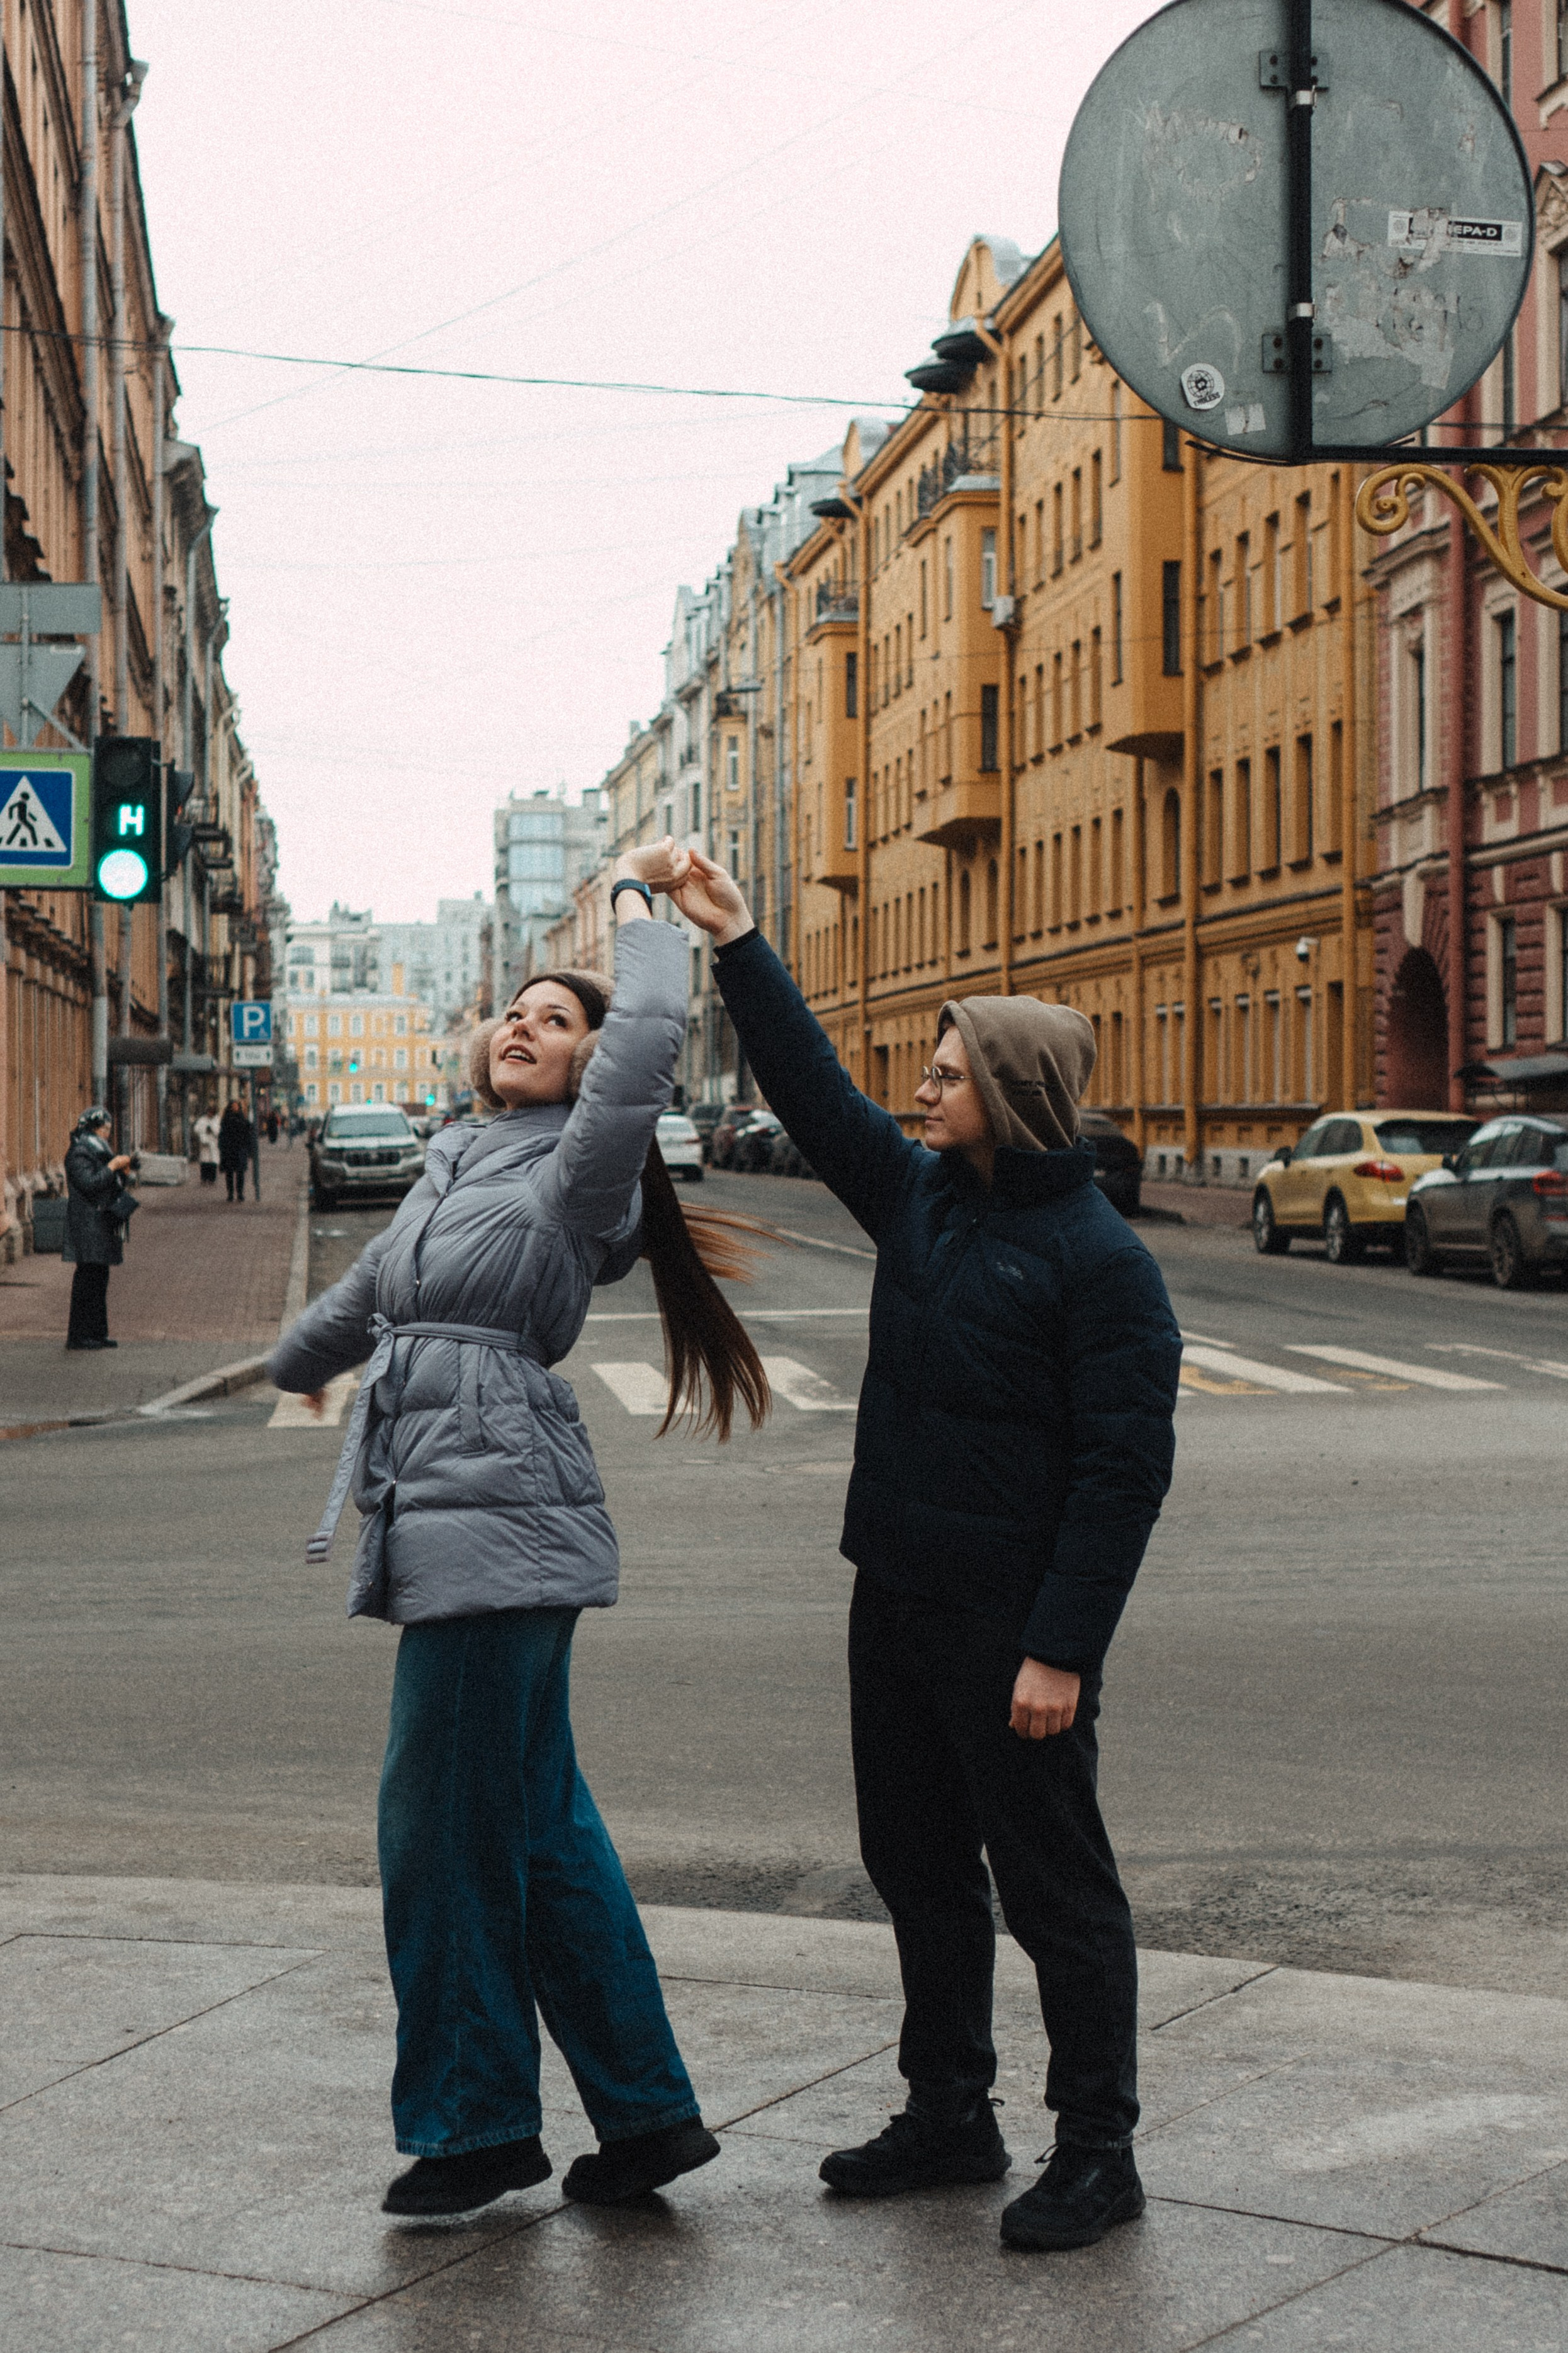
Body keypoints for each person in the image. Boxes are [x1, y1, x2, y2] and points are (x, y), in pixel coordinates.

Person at [664, 845, 1181, 2257]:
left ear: (1008, 1093)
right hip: (893, 1594)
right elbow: (815, 1093)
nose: (922, 1090)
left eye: (947, 1074)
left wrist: (1060, 1649)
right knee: (916, 1864)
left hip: (1013, 1627)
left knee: (1057, 1892)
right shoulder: (921, 1199)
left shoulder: (1102, 1263)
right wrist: (739, 941)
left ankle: (1099, 2149)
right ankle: (950, 2110)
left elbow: (1124, 1476)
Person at [269, 842, 770, 2222]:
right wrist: (292, 1358)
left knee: (438, 1827)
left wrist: (634, 905)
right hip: (457, 1500)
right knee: (538, 1828)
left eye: (556, 1018)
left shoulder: (577, 1171)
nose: (522, 1023)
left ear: (589, 1065)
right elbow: (371, 1295)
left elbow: (650, 1031)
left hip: (492, 1506)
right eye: (515, 1010)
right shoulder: (457, 1159)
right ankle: (647, 2114)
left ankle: (478, 2124)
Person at [62, 1108, 136, 1351]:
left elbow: (111, 1184)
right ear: (93, 1129)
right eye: (105, 1129)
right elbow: (90, 1184)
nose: (107, 1134)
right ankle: (79, 1336)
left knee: (100, 1278)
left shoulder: (99, 1150)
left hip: (101, 1221)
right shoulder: (79, 1153)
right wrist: (113, 1166)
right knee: (87, 1280)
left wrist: (123, 1173)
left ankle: (97, 1333)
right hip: (87, 1224)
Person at [218, 1098, 254, 1201]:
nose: (235, 1108)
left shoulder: (243, 1119)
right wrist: (222, 1147)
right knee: (229, 1173)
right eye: (233, 1106)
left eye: (236, 1106)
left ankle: (240, 1193)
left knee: (240, 1172)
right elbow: (222, 1135)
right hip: (229, 1150)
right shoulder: (226, 1120)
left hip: (240, 1149)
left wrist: (249, 1149)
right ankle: (230, 1194)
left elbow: (248, 1134)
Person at [193, 1106, 220, 1185]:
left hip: (213, 1143)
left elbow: (219, 1130)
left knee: (213, 1162)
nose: (210, 1114)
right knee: (205, 1162)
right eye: (209, 1112)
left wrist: (212, 1129)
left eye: (212, 1113)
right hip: (204, 1143)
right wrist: (204, 1130)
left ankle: (212, 1179)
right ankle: (204, 1179)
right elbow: (196, 1129)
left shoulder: (217, 1120)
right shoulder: (202, 1120)